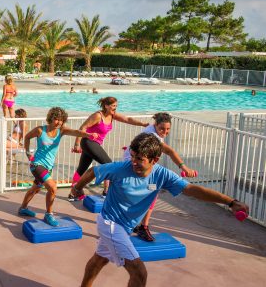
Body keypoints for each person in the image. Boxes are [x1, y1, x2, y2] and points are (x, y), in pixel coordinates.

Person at [70, 133, 249, 287]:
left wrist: (231, 202)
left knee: (99, 259)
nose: (133, 162)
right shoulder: (120, 168)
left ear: (154, 160)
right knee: (139, 273)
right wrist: (78, 188)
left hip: (124, 227)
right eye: (132, 156)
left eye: (139, 159)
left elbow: (193, 190)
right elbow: (93, 171)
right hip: (110, 224)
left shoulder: (162, 175)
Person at [18, 107, 98, 227]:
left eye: (61, 120)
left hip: (48, 167)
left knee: (36, 188)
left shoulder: (62, 130)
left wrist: (87, 134)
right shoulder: (40, 130)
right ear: (51, 118)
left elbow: (75, 132)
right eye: (56, 119)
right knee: (53, 188)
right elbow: (27, 137)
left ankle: (23, 208)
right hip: (37, 165)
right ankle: (49, 214)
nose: (59, 122)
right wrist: (28, 153)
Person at [123, 112, 197, 241]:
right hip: (135, 166)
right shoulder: (153, 136)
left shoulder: (152, 131)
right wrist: (184, 167)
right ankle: (141, 226)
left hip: (139, 165)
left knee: (151, 191)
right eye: (162, 128)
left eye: (168, 129)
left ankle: (139, 224)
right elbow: (169, 151)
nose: (165, 131)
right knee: (151, 191)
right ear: (155, 125)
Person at [68, 96, 149, 200]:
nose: (115, 108)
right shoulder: (97, 116)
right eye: (113, 106)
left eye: (116, 105)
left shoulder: (112, 115)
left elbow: (128, 119)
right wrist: (77, 144)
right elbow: (83, 127)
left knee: (82, 169)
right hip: (88, 142)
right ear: (106, 106)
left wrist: (142, 124)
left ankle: (73, 193)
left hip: (94, 144)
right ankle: (107, 191)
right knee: (109, 164)